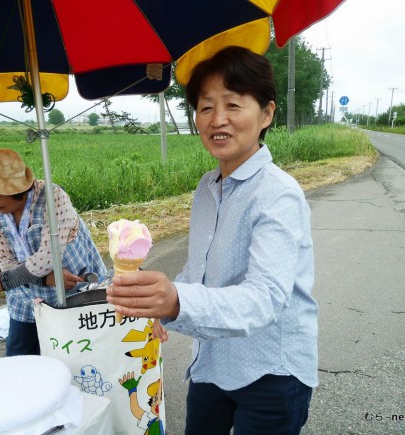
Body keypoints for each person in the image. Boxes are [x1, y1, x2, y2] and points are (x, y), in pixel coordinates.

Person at [106, 46, 318, 435]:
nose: (218, 120)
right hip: (212, 360)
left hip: (271, 369)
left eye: (233, 105)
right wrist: (160, 300)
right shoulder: (208, 187)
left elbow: (266, 296)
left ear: (267, 113)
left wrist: (178, 300)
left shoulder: (278, 193)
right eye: (205, 108)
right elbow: (199, 268)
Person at [0, 148, 107, 357]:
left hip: (74, 287)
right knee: (20, 358)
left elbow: (48, 257)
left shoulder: (53, 198)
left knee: (77, 355)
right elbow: (6, 263)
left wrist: (1, 283)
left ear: (14, 188)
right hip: (24, 294)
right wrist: (42, 280)